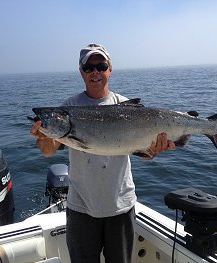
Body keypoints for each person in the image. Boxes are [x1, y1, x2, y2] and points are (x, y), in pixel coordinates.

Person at [30, 43, 175, 263]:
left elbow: (144, 154)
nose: (95, 71)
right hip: (81, 207)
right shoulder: (69, 107)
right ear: (81, 72)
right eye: (88, 67)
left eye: (101, 65)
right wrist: (45, 137)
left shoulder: (125, 106)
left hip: (121, 205)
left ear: (110, 69)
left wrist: (153, 150)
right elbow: (49, 151)